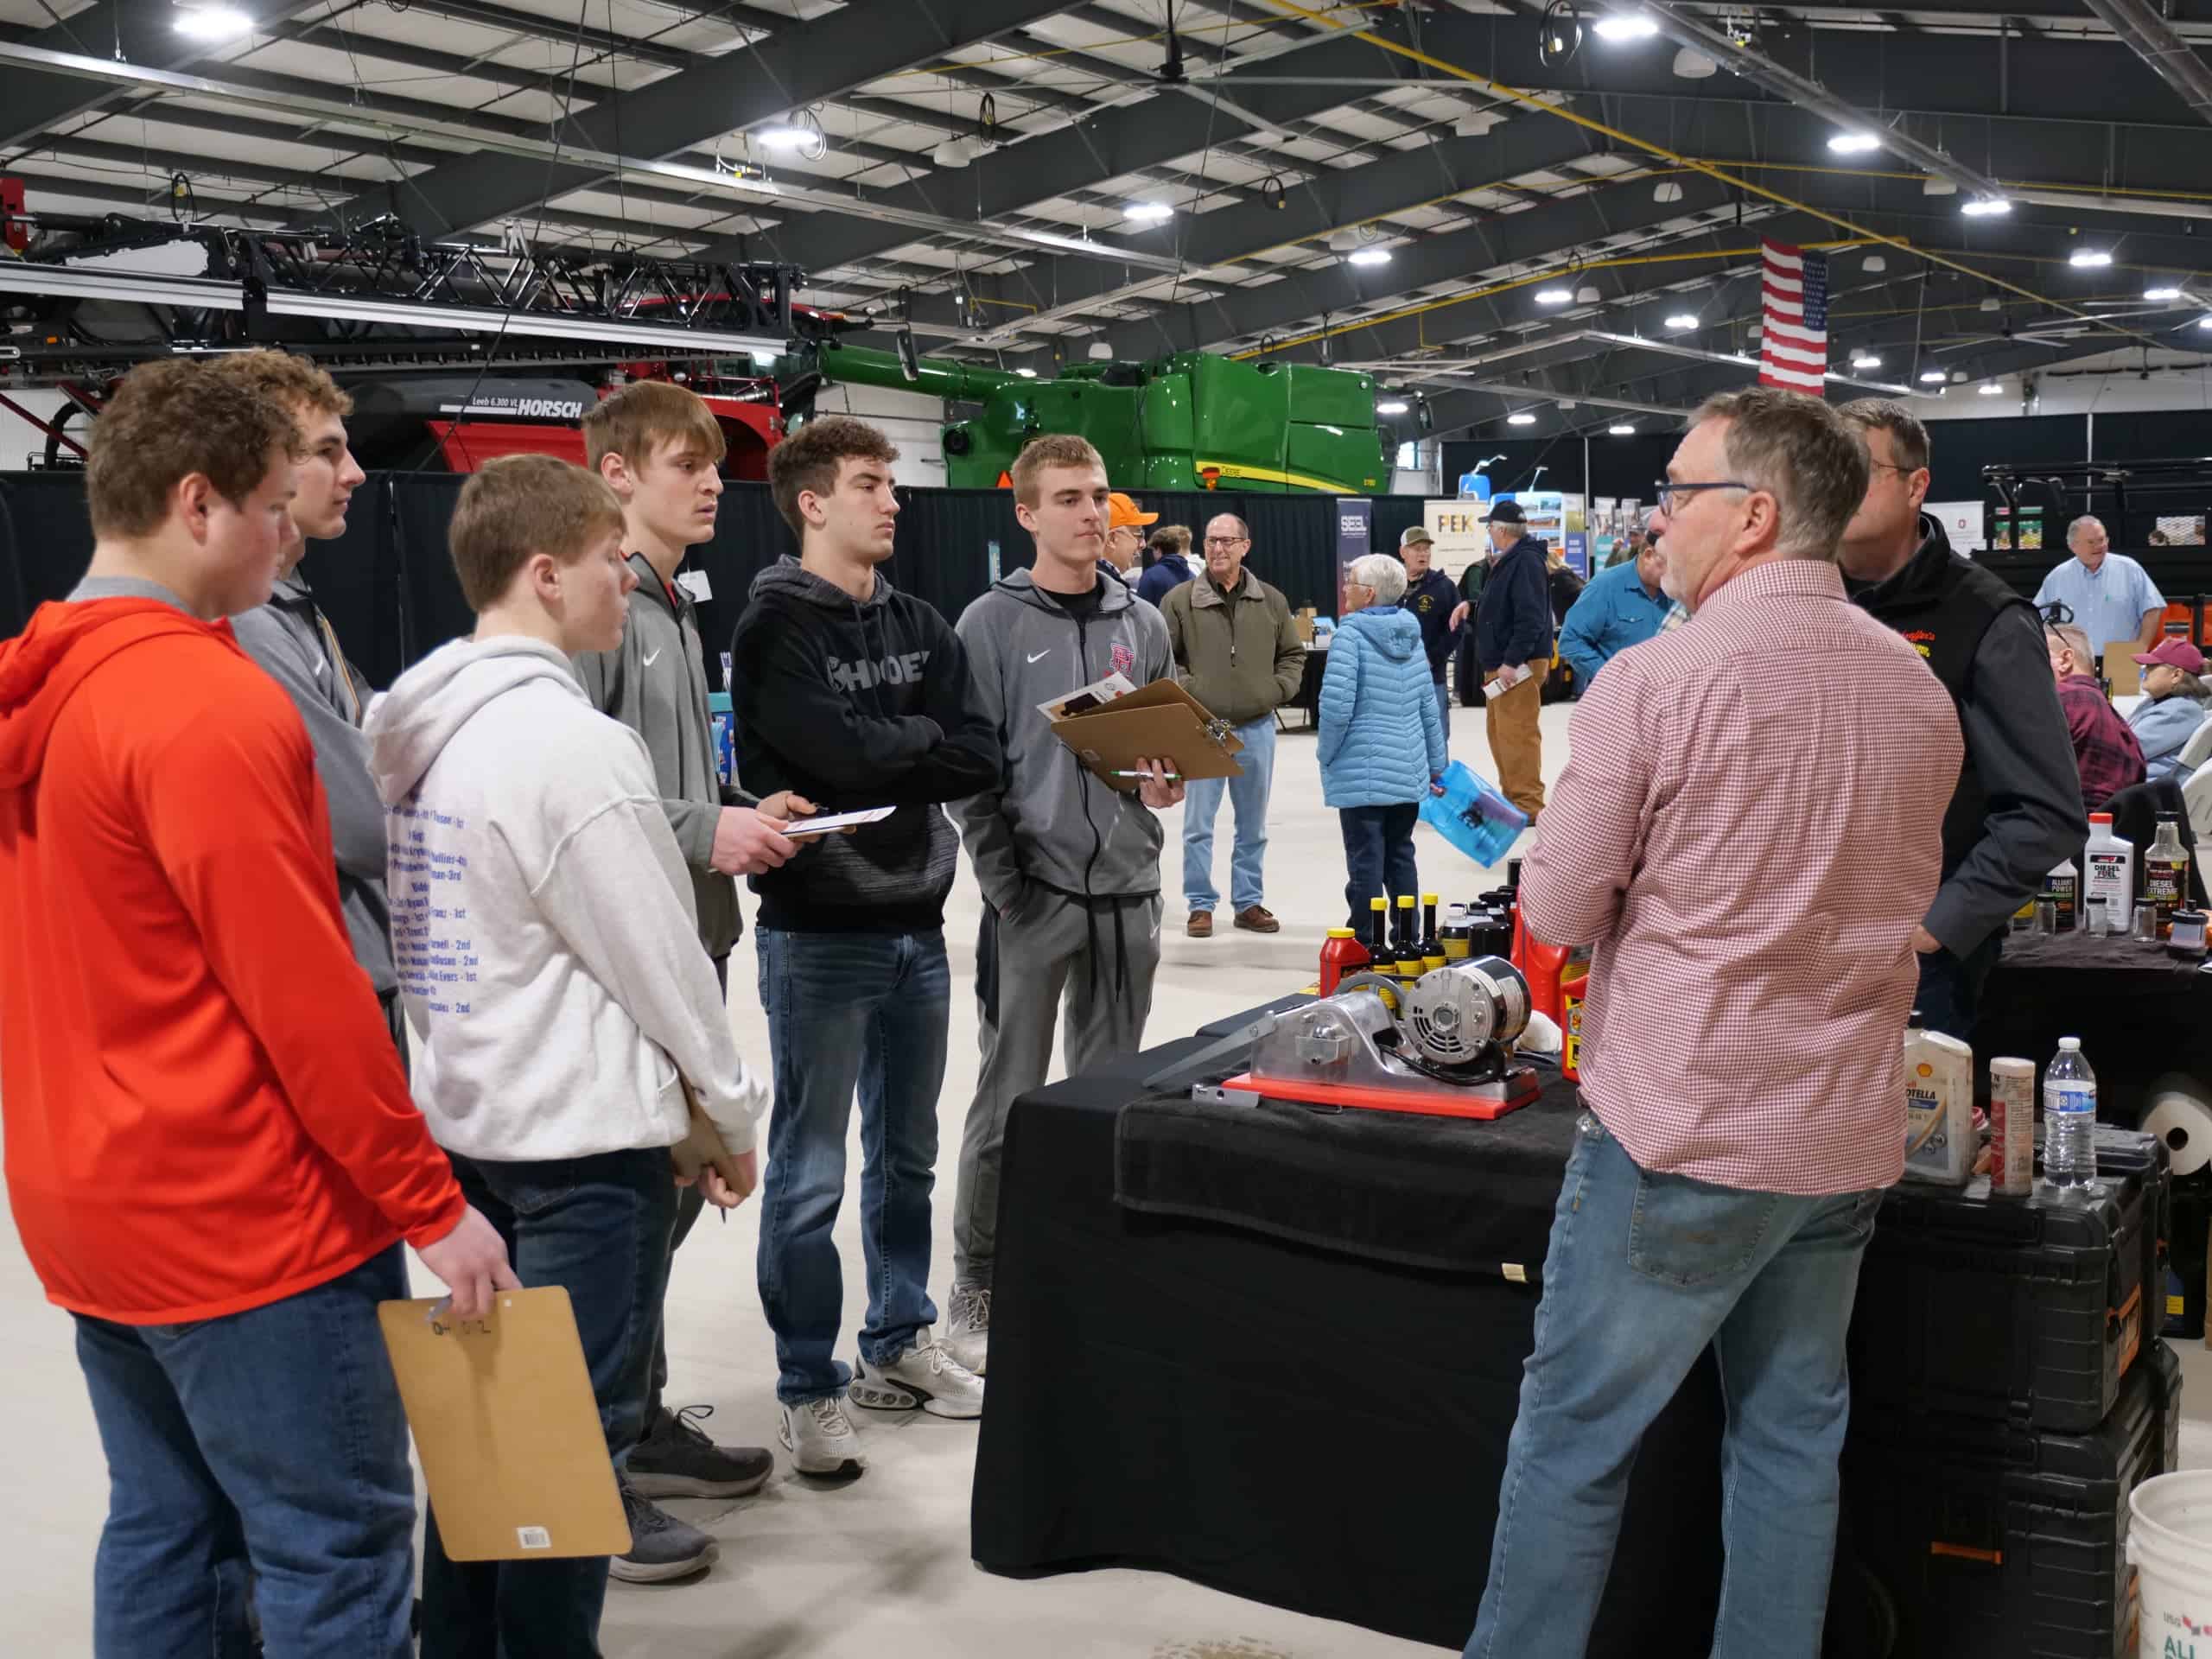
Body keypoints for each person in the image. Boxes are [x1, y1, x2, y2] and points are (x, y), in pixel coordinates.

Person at [0, 359, 515, 1658]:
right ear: (199, 504)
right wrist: (429, 1203)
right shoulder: (204, 704)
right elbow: (307, 1001)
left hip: (92, 1204)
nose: (290, 534)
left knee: (167, 1524)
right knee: (332, 1548)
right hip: (246, 1221)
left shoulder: (39, 686)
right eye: (276, 506)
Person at [1464, 387, 1961, 1659]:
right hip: (1840, 1131)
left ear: (1752, 515)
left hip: (1683, 1131)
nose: (1658, 522)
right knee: (1792, 1440)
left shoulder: (1657, 681)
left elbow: (1559, 912)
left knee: (1574, 1441)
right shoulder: (1914, 696)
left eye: (1676, 493)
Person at [365, 454, 769, 1644]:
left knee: (491, 1441)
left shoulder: (412, 730)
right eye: (605, 562)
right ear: (546, 575)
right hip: (582, 1151)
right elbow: (659, 959)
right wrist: (726, 1115)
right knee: (567, 1458)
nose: (622, 581)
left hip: (473, 1130)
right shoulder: (569, 747)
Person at [730, 415, 999, 1469]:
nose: (892, 500)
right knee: (808, 1176)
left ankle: (898, 1337)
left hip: (917, 927)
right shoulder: (773, 628)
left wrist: (896, 747)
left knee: (906, 1158)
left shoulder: (922, 621)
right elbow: (832, 751)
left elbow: (977, 754)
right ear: (811, 503)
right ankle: (808, 1385)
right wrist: (914, 739)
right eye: (868, 484)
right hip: (817, 936)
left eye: (892, 483)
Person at [575, 379, 794, 1574]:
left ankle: (640, 1424)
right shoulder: (598, 603)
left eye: (714, 466)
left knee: (661, 1214)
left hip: (690, 941)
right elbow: (573, 800)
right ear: (614, 473)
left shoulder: (670, 601)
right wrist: (704, 827)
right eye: (684, 463)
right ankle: (592, 1475)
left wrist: (740, 808)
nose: (711, 484)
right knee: (615, 1229)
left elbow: (657, 779)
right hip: (626, 960)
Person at [949, 433, 1184, 1374]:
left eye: (1099, 496)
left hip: (1128, 893)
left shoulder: (1144, 620)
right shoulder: (989, 625)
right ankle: (978, 1282)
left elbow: (1158, 750)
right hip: (1033, 900)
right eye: (1069, 499)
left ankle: (1091, 1265)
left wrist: (1163, 785)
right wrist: (1007, 890)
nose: (1092, 513)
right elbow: (970, 774)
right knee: (1009, 1101)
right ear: (1026, 514)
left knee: (1109, 1095)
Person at [1836, 399, 2087, 1041]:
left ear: (1916, 484)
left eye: (1858, 468)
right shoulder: (1799, 601)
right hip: (1794, 945)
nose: (1835, 485)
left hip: (1916, 965)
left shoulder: (1987, 619)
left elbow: (2046, 812)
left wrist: (1940, 925)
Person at [217, 351, 401, 1052]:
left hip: (357, 972)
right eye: (327, 452)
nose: (354, 473)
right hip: (326, 991)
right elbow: (364, 825)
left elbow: (382, 734)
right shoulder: (250, 624)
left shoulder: (292, 609)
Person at [1160, 511, 1304, 936]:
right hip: (1204, 729)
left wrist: (1274, 690)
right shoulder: (1180, 600)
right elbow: (1164, 660)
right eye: (1211, 541)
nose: (1217, 549)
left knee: (1252, 826)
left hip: (1257, 726)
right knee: (1197, 826)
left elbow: (1292, 654)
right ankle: (1200, 905)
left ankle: (1248, 902)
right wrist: (1193, 691)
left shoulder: (1271, 600)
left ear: (1245, 546)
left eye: (1226, 541)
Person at [1324, 551, 1446, 927]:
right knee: (1400, 857)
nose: (1345, 588)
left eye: (1352, 583)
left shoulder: (1349, 636)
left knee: (1365, 862)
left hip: (1361, 772)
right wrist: (1436, 765)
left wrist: (1326, 753)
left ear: (1370, 594)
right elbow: (1429, 707)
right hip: (1407, 770)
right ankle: (1407, 938)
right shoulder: (1412, 636)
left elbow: (1336, 708)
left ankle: (1364, 940)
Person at [1452, 498, 1552, 819]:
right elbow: (1504, 609)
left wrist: (1512, 661)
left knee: (1517, 736)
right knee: (1501, 736)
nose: (1489, 533)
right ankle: (1514, 800)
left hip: (1516, 665)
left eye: (1490, 527)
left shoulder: (1525, 562)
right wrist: (1472, 607)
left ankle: (1528, 805)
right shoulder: (1512, 560)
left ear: (1501, 530)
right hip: (1503, 663)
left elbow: (1530, 617)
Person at [2033, 515, 2164, 664]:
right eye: (2091, 542)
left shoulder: (2130, 569)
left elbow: (2153, 609)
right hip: (2074, 660)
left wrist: (2141, 647)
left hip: (2122, 659)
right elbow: (2036, 617)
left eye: (2101, 540)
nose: (2098, 546)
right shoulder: (2057, 577)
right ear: (2073, 546)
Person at [2048, 622, 2147, 810]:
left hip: (2061, 821)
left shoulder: (2062, 699)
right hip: (2105, 824)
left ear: (2065, 660)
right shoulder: (2122, 726)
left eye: (2036, 657)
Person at [1556, 532, 1669, 690]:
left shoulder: (1676, 591)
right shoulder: (1605, 586)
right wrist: (1611, 678)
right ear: (1649, 555)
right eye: (1671, 565)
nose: (1675, 572)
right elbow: (1571, 641)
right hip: (1618, 697)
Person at [1396, 524, 1463, 750]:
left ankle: (1438, 774)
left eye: (1426, 549)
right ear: (1403, 552)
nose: (1423, 554)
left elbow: (1456, 629)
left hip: (1432, 677)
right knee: (1399, 742)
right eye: (1417, 549)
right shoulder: (1391, 585)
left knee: (1436, 740)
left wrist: (1432, 657)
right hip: (1394, 680)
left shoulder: (1444, 587)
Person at [2129, 637, 2212, 783]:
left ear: (2176, 675)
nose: (2145, 669)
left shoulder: (2180, 711)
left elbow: (2126, 749)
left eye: (2152, 665)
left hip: (2145, 789)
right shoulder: (2158, 700)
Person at [1102, 491, 1155, 587]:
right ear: (1111, 539)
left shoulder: (1103, 584)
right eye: (1139, 534)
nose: (1143, 544)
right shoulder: (1103, 589)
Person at [1135, 523, 1194, 607]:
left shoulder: (1151, 576)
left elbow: (1141, 609)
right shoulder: (1193, 577)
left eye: (1153, 550)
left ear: (1158, 550)